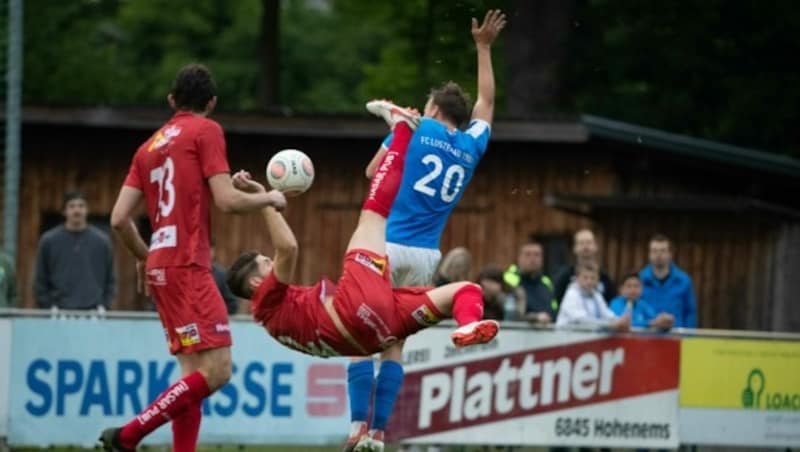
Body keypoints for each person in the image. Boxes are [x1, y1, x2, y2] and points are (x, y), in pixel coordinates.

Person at [226, 103, 500, 452]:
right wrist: (265, 198)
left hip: (369, 335)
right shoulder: (267, 301)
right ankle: (400, 128)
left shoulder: (274, 319)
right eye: (264, 262)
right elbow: (289, 248)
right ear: (254, 284)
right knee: (372, 216)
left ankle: (368, 431)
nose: (271, 263)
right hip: (356, 309)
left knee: (464, 290)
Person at [100, 63, 286, 452]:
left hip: (162, 269)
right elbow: (228, 200)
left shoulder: (146, 148)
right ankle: (129, 435)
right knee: (218, 371)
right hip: (188, 265)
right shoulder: (207, 131)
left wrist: (144, 257)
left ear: (172, 101)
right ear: (212, 103)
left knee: (191, 376)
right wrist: (269, 197)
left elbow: (119, 219)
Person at [348, 10, 506, 452]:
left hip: (385, 246)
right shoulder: (470, 146)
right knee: (394, 344)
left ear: (434, 108)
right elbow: (488, 105)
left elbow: (371, 172)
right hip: (425, 257)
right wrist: (484, 49)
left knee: (360, 335)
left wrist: (400, 131)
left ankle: (357, 425)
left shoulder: (415, 128)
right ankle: (379, 434)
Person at [34, 190, 115, 310]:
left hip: (93, 313)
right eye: (72, 206)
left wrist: (104, 305)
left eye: (81, 206)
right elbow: (40, 279)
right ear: (64, 211)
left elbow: (111, 279)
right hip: (58, 312)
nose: (77, 210)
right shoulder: (49, 241)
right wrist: (48, 307)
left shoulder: (102, 242)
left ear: (87, 210)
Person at [639, 234, 697, 328]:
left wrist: (688, 338)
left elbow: (690, 313)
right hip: (646, 336)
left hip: (675, 337)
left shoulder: (683, 281)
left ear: (670, 254)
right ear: (649, 254)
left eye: (663, 251)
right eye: (654, 251)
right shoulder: (639, 281)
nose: (658, 255)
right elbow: (633, 313)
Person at [556, 261, 630, 332]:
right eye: (585, 277)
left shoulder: (596, 295)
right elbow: (581, 320)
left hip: (585, 338)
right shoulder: (572, 294)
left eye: (593, 278)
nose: (589, 281)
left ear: (598, 279)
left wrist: (619, 321)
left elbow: (606, 314)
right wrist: (610, 324)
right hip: (566, 338)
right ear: (577, 278)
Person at [553, 229, 617, 303]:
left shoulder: (604, 276)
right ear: (574, 248)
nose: (585, 246)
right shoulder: (564, 275)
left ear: (595, 246)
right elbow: (557, 300)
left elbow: (611, 302)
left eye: (589, 242)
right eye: (581, 243)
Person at [503, 240, 557, 324]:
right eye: (528, 255)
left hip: (546, 333)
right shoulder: (508, 279)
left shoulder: (546, 282)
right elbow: (511, 315)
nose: (533, 259)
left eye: (537, 255)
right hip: (517, 333)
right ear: (519, 258)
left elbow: (554, 310)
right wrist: (535, 317)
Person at [609, 272, 674, 330]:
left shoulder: (643, 305)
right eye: (629, 286)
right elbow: (623, 323)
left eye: (636, 286)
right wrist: (650, 323)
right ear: (621, 289)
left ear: (642, 289)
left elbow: (655, 320)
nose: (633, 290)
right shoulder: (615, 303)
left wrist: (663, 321)